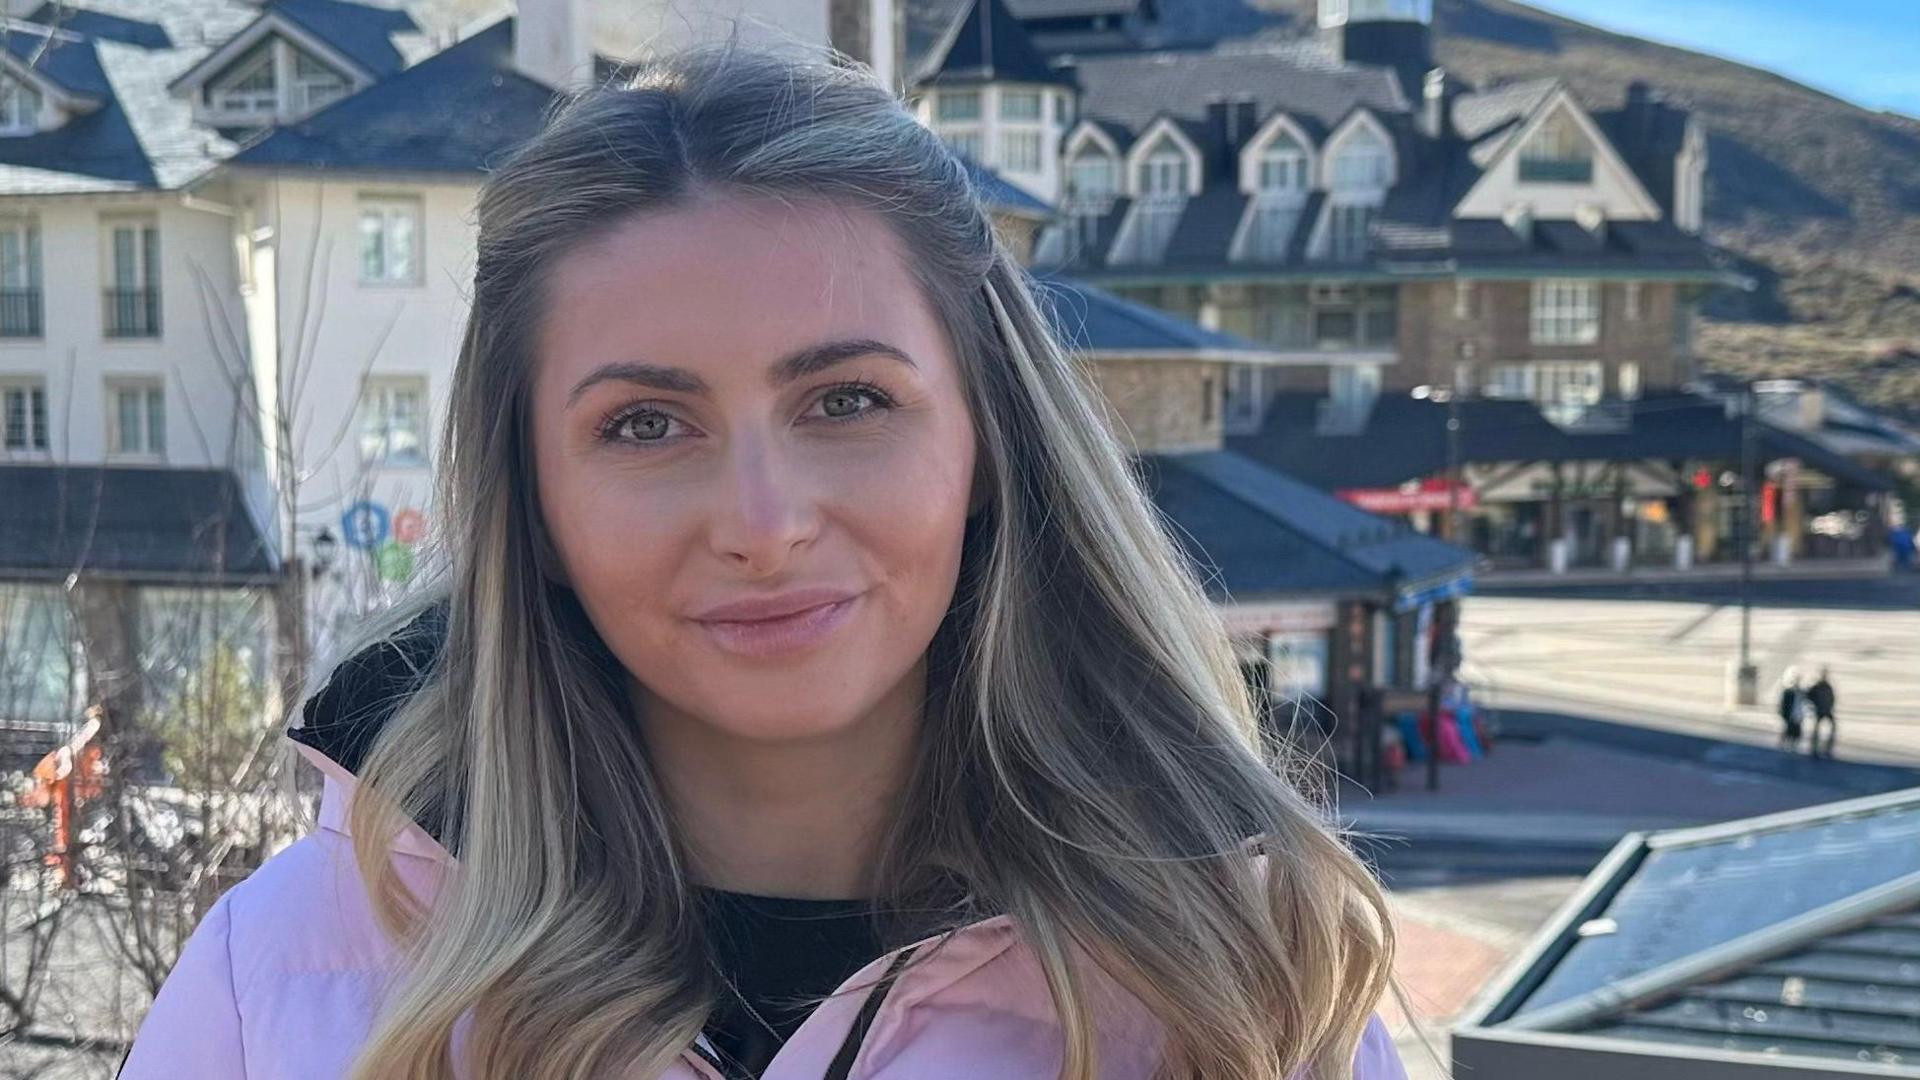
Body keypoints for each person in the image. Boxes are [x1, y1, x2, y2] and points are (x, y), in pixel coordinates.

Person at [121, 46, 1404, 1080]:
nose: (762, 519)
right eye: (643, 424)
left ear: (988, 445)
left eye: (846, 401)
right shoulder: (281, 977)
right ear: (538, 508)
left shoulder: (1243, 980)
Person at [1807, 667, 1838, 759]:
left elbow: (1832, 698)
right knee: (1816, 730)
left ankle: (1827, 748)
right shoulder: (1817, 686)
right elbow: (1809, 695)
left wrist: (1830, 706)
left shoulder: (1828, 686)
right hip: (1819, 710)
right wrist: (1815, 705)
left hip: (1827, 710)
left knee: (1833, 727)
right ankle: (1814, 748)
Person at [1777, 668, 1807, 751]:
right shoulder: (1789, 691)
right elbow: (1784, 703)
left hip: (1798, 714)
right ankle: (1784, 744)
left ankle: (1792, 745)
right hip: (1791, 714)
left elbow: (1803, 703)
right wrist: (1784, 713)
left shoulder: (1801, 692)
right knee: (1789, 730)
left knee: (1796, 732)